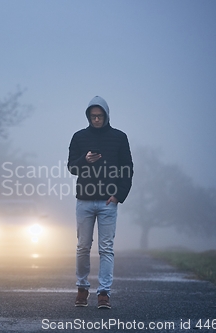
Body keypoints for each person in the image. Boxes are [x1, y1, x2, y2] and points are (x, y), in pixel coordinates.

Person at [67, 96, 133, 309]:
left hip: (108, 202)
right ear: (88, 116)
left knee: (106, 248)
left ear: (106, 115)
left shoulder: (119, 137)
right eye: (93, 116)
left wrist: (118, 196)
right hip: (84, 200)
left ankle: (104, 293)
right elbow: (71, 167)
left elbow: (127, 169)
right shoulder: (78, 137)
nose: (96, 119)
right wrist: (84, 160)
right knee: (82, 247)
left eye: (100, 116)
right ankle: (82, 288)